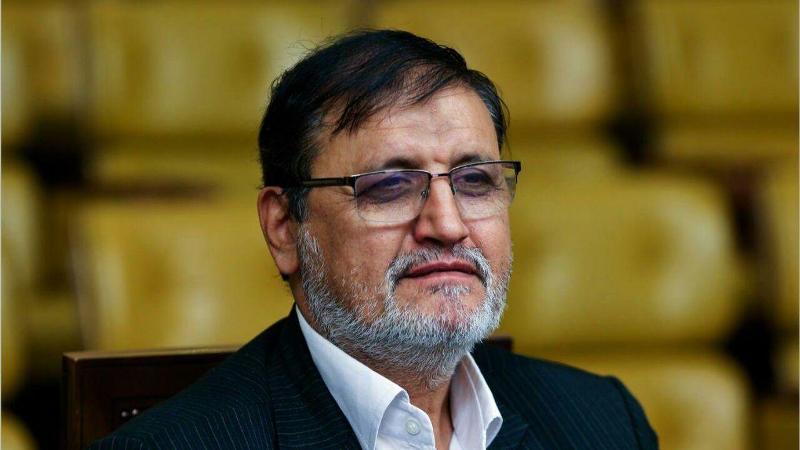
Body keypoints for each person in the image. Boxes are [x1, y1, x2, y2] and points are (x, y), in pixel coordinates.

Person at [90, 29, 658, 450]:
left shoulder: (604, 422)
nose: (448, 225)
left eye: (475, 181)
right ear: (284, 227)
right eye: (389, 186)